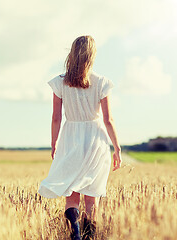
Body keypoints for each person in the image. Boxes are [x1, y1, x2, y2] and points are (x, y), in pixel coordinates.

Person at [38, 35, 122, 240]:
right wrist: (117, 148)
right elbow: (108, 119)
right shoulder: (101, 82)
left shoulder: (60, 82)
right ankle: (88, 236)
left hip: (70, 138)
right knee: (92, 196)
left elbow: (56, 117)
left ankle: (74, 231)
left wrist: (54, 142)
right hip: (96, 140)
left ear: (72, 54)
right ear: (92, 56)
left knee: (72, 194)